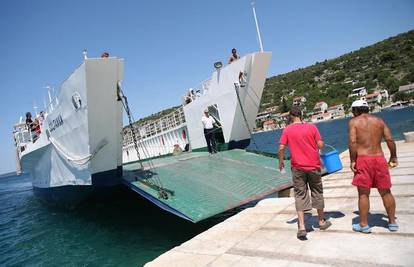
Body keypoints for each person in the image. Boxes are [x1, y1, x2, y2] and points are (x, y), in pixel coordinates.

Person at [278, 106, 331, 239]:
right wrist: (319, 143)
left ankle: (302, 226)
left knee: (300, 194)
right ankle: (321, 221)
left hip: (297, 167)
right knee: (317, 191)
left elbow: (281, 148)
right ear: (301, 115)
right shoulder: (311, 127)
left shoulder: (287, 130)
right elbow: (320, 145)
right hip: (313, 165)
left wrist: (281, 161)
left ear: (290, 116)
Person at [348, 99, 398, 233]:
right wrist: (393, 156)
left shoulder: (354, 122)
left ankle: (364, 225)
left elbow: (353, 142)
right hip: (379, 159)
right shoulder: (379, 121)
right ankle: (392, 222)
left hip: (363, 159)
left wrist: (353, 160)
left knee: (363, 193)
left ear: (356, 110)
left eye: (353, 111)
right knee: (386, 191)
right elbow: (390, 139)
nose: (352, 114)